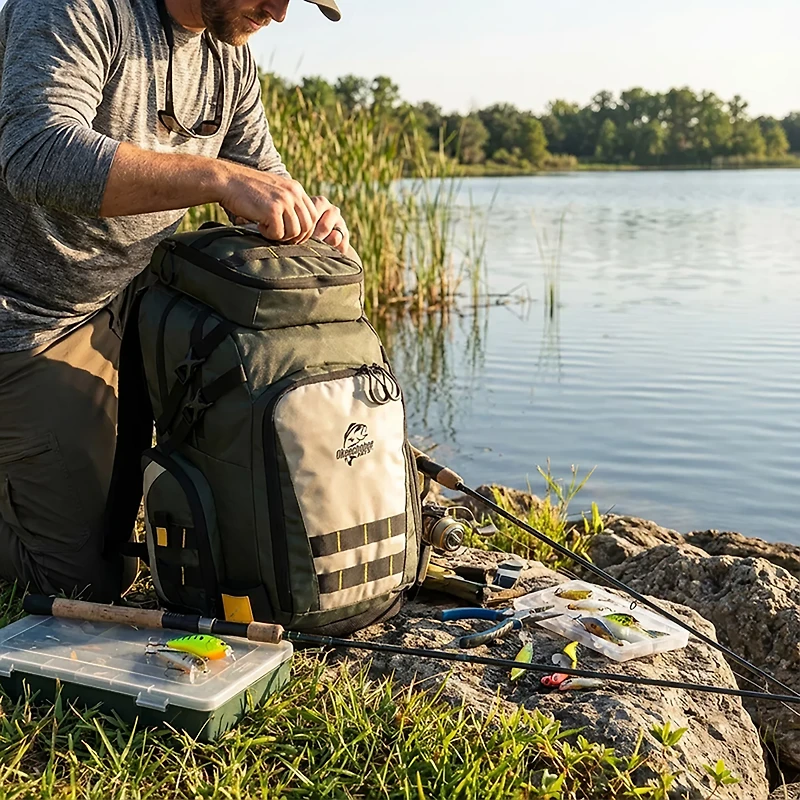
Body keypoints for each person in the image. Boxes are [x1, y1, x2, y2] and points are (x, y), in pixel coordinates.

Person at [0, 0, 350, 602]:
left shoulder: (229, 55)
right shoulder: (75, 7)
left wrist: (304, 220)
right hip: (25, 315)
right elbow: (34, 153)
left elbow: (260, 177)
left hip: (134, 303)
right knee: (82, 582)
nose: (280, 13)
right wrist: (214, 177)